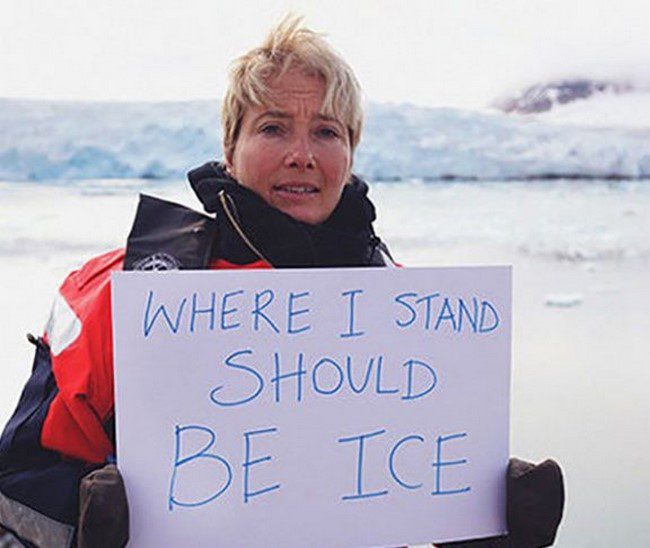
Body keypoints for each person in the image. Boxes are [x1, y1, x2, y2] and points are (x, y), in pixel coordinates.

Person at [0, 16, 563, 548]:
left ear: (350, 151)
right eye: (273, 128)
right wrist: (81, 522)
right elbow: (16, 492)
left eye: (326, 131)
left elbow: (416, 485)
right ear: (230, 148)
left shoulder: (406, 313)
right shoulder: (120, 296)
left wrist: (485, 523)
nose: (302, 155)